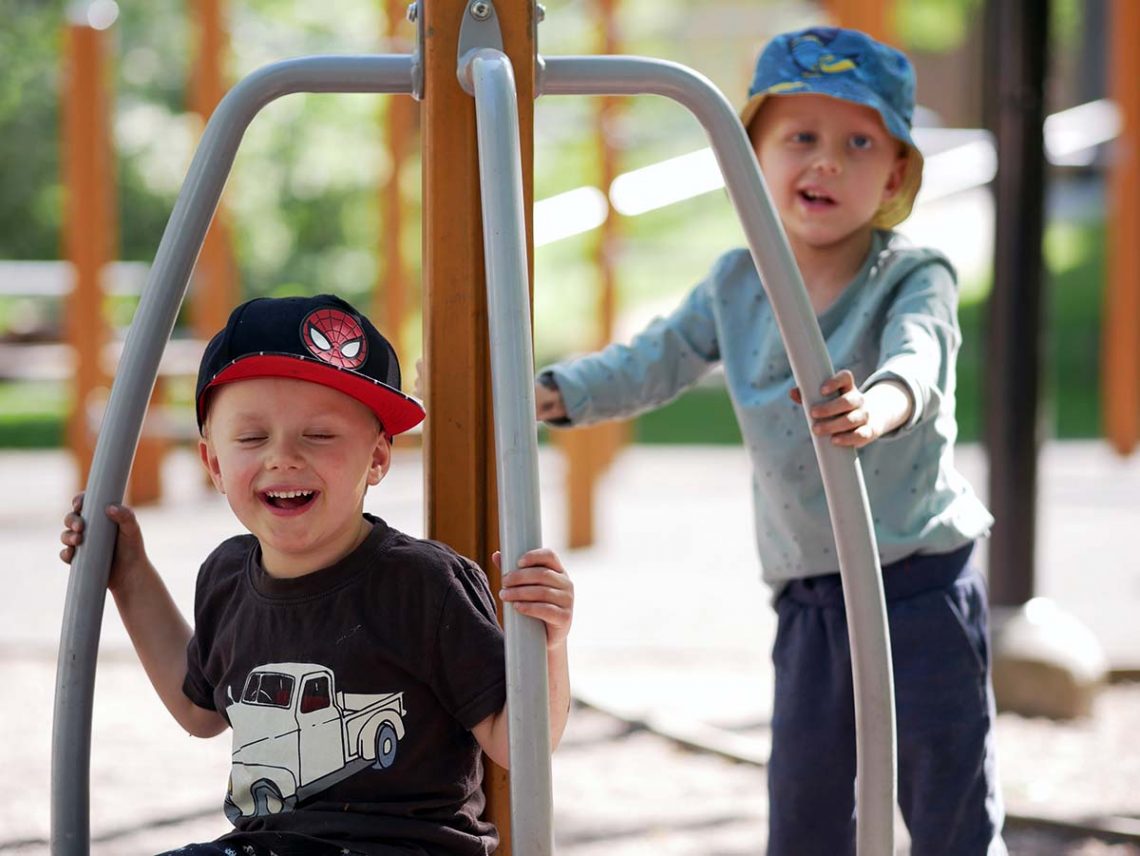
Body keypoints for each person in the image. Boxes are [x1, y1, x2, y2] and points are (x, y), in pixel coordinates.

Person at [534, 26, 1004, 856]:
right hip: (812, 595)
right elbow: (657, 360)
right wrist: (555, 393)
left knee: (947, 799)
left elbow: (919, 352)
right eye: (801, 139)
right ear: (749, 159)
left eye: (858, 142)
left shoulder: (910, 272)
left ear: (894, 173)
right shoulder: (736, 283)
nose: (825, 161)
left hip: (919, 583)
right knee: (807, 806)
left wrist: (883, 406)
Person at [60, 294, 574, 856]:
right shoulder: (227, 576)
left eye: (320, 436)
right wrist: (129, 576)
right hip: (264, 843)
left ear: (377, 458)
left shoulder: (423, 585)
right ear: (213, 463)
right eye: (253, 438)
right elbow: (200, 711)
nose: (283, 457)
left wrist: (547, 646)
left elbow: (518, 743)